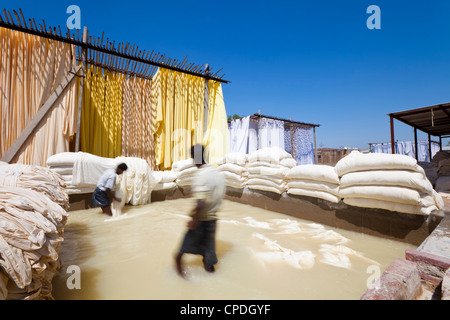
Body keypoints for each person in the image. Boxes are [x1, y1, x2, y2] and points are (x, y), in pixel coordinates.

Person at [175, 144, 226, 278]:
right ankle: (212, 283)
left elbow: (200, 202)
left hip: (201, 221)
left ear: (194, 158)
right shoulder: (217, 173)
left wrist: (194, 220)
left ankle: (182, 284)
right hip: (213, 220)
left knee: (179, 255)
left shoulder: (201, 175)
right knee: (208, 260)